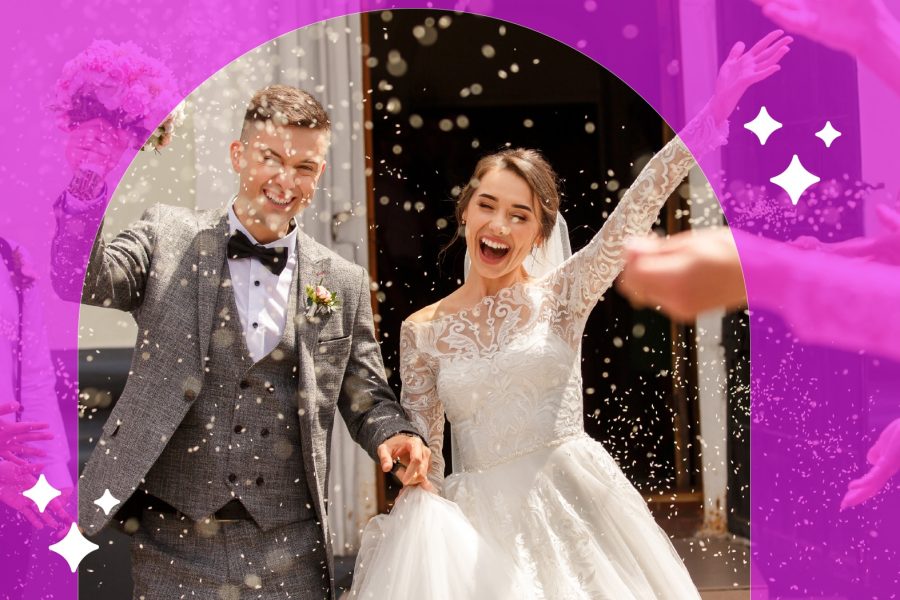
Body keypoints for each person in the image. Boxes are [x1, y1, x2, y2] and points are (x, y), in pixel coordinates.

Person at [349, 31, 791, 599]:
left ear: (538, 235)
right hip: (479, 532)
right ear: (465, 212)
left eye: (519, 215)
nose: (499, 226)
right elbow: (427, 454)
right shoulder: (423, 330)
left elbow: (639, 203)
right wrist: (418, 500)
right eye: (487, 206)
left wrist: (717, 107)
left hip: (575, 507)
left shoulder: (564, 293)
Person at [50, 85, 430, 599]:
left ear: (319, 174)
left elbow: (365, 395)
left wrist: (394, 434)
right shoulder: (167, 234)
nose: (285, 180)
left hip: (288, 544)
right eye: (270, 158)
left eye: (304, 166)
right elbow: (82, 277)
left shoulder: (341, 281)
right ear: (238, 154)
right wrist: (88, 182)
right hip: (171, 537)